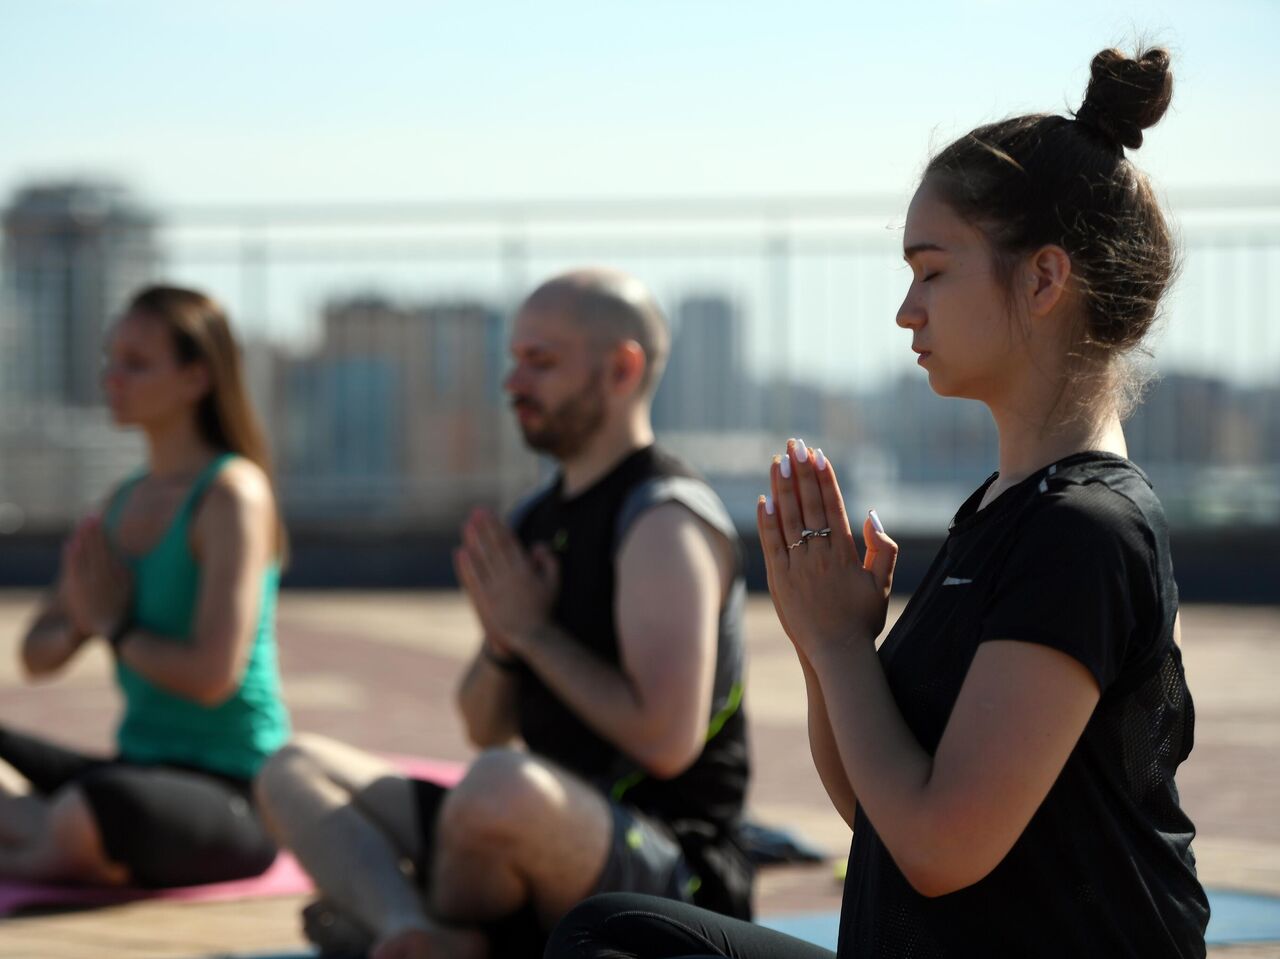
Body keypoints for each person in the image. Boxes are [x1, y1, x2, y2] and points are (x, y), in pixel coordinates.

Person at [549, 46, 1210, 959]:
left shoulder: (1084, 531)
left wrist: (833, 645)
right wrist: (834, 652)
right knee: (617, 935)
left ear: (1044, 280)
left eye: (932, 270)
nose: (908, 309)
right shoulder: (1010, 507)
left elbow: (940, 847)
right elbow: (878, 807)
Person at [255, 268, 753, 959]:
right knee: (292, 765)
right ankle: (409, 930)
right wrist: (502, 645)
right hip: (528, 823)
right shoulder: (533, 518)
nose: (513, 382)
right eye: (514, 359)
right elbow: (483, 724)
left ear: (621, 369)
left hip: (669, 863)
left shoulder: (663, 519)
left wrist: (532, 632)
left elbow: (667, 740)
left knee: (497, 788)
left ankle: (405, 928)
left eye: (540, 362)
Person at [1, 285, 291, 889]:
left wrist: (116, 627)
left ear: (196, 378)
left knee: (93, 809)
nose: (113, 377)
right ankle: (46, 836)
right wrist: (83, 619)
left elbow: (214, 676)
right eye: (112, 359)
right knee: (92, 800)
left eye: (136, 363)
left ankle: (40, 842)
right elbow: (36, 655)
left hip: (233, 791)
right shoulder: (121, 502)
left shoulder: (231, 495)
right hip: (138, 767)